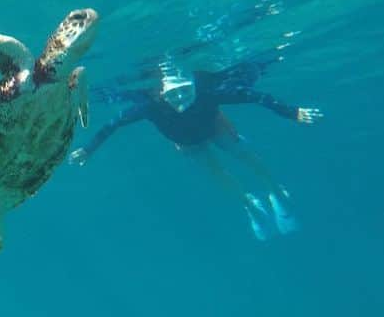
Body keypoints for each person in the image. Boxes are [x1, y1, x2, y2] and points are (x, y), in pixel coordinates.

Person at [69, 57, 321, 239]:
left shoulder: (209, 93)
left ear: (192, 83)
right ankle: (250, 203)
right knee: (216, 172)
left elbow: (255, 96)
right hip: (186, 142)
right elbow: (114, 125)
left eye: (185, 91)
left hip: (215, 126)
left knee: (244, 154)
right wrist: (89, 150)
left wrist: (292, 112)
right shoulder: (147, 105)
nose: (181, 100)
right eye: (174, 95)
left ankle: (276, 192)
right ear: (162, 94)